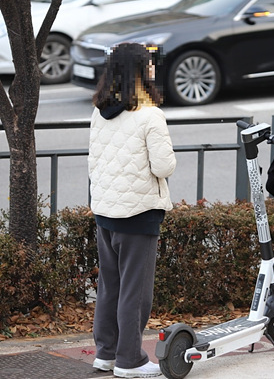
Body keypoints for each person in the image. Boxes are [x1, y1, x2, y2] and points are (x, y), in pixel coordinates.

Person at [88, 42, 176, 378]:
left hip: (106, 211)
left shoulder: (100, 109)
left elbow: (94, 161)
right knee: (135, 292)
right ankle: (130, 360)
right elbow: (164, 166)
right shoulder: (150, 113)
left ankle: (106, 353)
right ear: (139, 71)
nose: (154, 69)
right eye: (149, 64)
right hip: (139, 213)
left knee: (110, 286)